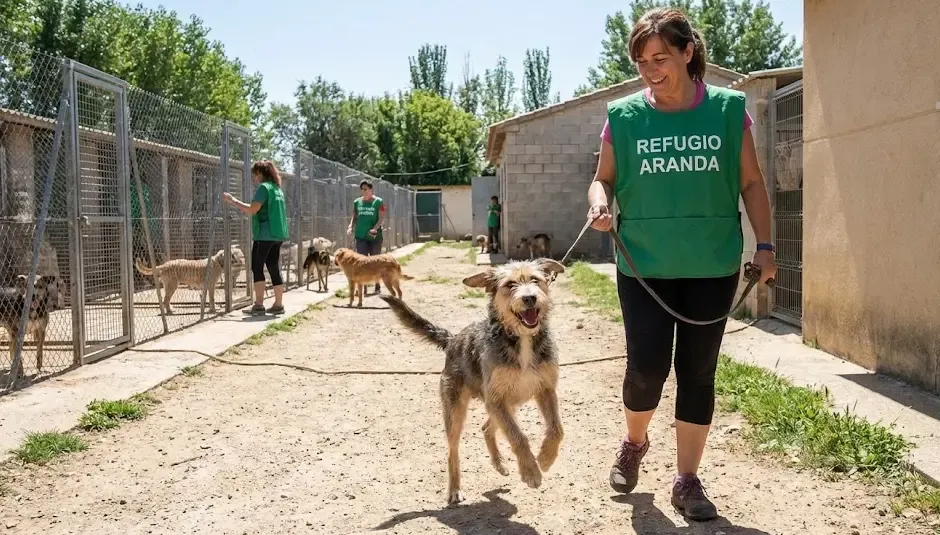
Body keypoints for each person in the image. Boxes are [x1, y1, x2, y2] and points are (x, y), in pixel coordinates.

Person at [586, 7, 777, 522]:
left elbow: (752, 183)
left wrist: (765, 245)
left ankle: (687, 480)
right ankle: (634, 442)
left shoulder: (727, 110)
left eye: (661, 57)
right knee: (646, 369)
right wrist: (599, 201)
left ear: (688, 52)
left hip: (711, 265)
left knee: (698, 371)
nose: (650, 69)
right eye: (642, 61)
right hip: (644, 268)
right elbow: (602, 178)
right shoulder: (623, 117)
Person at [222, 160, 289, 316]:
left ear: (260, 173)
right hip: (278, 234)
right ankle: (278, 304)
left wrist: (233, 201)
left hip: (265, 234)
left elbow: (253, 210)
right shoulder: (277, 189)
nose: (254, 177)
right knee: (273, 266)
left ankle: (258, 305)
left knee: (257, 268)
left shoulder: (264, 188)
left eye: (255, 174)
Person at [347, 179, 386, 295]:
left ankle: (377, 285)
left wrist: (375, 228)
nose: (363, 192)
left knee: (375, 261)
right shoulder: (357, 202)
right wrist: (350, 226)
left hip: (374, 237)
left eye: (366, 189)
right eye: (362, 189)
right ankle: (362, 287)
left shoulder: (379, 202)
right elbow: (354, 216)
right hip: (361, 236)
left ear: (371, 189)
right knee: (362, 262)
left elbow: (382, 218)